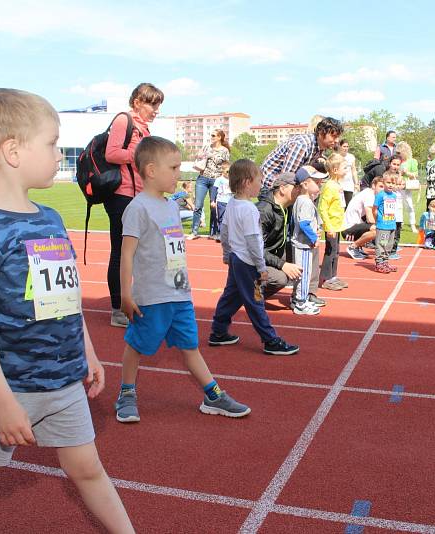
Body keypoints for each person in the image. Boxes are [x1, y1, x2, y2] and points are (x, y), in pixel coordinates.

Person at [0, 88, 134, 533]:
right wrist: (3, 402)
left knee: (88, 468)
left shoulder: (50, 218)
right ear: (12, 151)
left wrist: (86, 353)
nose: (60, 155)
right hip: (13, 386)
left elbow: (65, 300)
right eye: (52, 144)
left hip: (65, 378)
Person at [113, 137, 250, 423]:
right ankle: (126, 393)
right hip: (152, 297)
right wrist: (126, 294)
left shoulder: (171, 206)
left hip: (179, 293)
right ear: (151, 170)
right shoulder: (137, 209)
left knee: (190, 346)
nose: (179, 173)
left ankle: (213, 394)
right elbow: (126, 255)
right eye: (174, 168)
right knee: (137, 345)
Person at [209, 160, 300, 355]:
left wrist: (226, 253)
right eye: (260, 181)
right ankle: (270, 340)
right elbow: (254, 242)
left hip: (236, 259)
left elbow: (224, 231)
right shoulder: (249, 209)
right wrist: (261, 268)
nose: (262, 185)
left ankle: (218, 331)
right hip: (248, 263)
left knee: (231, 296)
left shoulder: (232, 204)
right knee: (255, 301)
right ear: (247, 182)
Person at [104, 83, 164, 328]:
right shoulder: (123, 121)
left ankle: (133, 300)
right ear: (138, 101)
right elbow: (112, 153)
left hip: (138, 195)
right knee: (121, 252)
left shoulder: (143, 127)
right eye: (152, 104)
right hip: (121, 195)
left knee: (138, 251)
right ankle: (118, 308)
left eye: (158, 105)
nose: (156, 110)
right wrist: (140, 155)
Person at [260, 117, 343, 193]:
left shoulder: (319, 148)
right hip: (270, 186)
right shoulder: (302, 145)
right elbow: (287, 178)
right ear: (321, 133)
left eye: (338, 137)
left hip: (282, 187)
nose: (337, 140)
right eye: (334, 136)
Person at [256, 172, 303, 302]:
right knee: (280, 278)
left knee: (296, 266)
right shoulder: (264, 211)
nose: (300, 190)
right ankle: (252, 295)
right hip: (251, 259)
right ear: (282, 188)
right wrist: (282, 264)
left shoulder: (286, 208)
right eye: (296, 186)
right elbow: (255, 249)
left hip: (268, 254)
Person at [289, 166, 325, 315]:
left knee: (301, 273)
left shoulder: (301, 200)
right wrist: (314, 238)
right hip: (303, 245)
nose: (320, 184)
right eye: (316, 182)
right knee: (304, 274)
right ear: (305, 184)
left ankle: (296, 298)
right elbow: (303, 223)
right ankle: (301, 302)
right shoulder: (306, 202)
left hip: (300, 242)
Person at [189, 129, 230, 239]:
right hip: (202, 179)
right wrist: (199, 155)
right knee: (198, 206)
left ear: (219, 137)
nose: (211, 137)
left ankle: (213, 233)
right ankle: (194, 231)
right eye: (211, 135)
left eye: (213, 135)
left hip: (215, 181)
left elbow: (226, 165)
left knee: (213, 207)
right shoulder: (207, 146)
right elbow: (199, 158)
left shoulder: (225, 150)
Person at [319, 152, 348, 291]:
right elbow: (323, 208)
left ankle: (333, 276)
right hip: (331, 226)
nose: (346, 170)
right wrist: (328, 226)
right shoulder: (329, 186)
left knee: (336, 252)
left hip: (337, 225)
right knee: (330, 252)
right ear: (335, 170)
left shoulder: (337, 184)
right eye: (344, 168)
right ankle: (325, 278)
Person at [343, 177, 382, 260]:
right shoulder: (369, 195)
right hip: (348, 229)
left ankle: (358, 247)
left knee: (378, 227)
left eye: (383, 187)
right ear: (373, 186)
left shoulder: (371, 194)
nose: (382, 189)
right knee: (377, 229)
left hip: (355, 225)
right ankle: (353, 247)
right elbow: (369, 218)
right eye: (380, 186)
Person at [372, 171, 399, 274]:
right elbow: (374, 209)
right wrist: (377, 220)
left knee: (389, 245)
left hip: (392, 224)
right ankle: (379, 263)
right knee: (381, 244)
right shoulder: (380, 195)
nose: (391, 185)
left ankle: (385, 262)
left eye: (393, 183)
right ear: (384, 182)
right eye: (388, 182)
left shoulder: (394, 196)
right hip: (383, 225)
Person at [396, 141, 419, 234]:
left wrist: (407, 173)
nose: (398, 154)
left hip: (407, 186)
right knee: (398, 206)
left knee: (409, 205)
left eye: (399, 152)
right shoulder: (397, 161)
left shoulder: (412, 161)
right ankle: (399, 224)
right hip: (397, 186)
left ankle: (413, 225)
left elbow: (416, 174)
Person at [209, 160, 232, 242]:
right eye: (228, 171)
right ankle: (220, 234)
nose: (229, 173)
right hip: (221, 202)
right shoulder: (219, 180)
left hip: (230, 202)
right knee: (221, 218)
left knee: (230, 219)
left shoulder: (232, 180)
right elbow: (214, 190)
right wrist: (212, 201)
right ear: (223, 171)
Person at [338, 139, 359, 205]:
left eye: (347, 146)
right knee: (340, 204)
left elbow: (354, 170)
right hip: (339, 184)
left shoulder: (351, 157)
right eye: (344, 146)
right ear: (340, 146)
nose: (346, 148)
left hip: (349, 185)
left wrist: (356, 183)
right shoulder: (336, 157)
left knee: (348, 204)